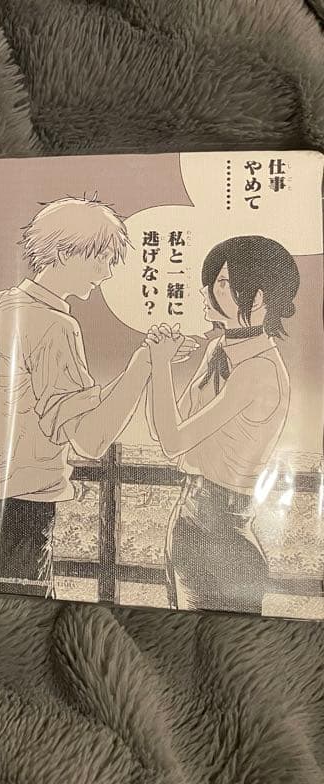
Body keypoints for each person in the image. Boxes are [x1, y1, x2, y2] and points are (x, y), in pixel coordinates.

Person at [0, 196, 160, 598]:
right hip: (22, 508)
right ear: (63, 254)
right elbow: (90, 438)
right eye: (100, 259)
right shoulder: (54, 325)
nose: (106, 273)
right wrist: (144, 366)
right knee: (24, 610)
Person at [146, 235, 298, 614]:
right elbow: (166, 431)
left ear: (257, 298)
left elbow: (173, 441)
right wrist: (160, 366)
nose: (207, 292)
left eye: (223, 284)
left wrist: (159, 364)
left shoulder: (258, 370)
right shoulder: (219, 350)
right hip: (191, 523)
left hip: (222, 538)